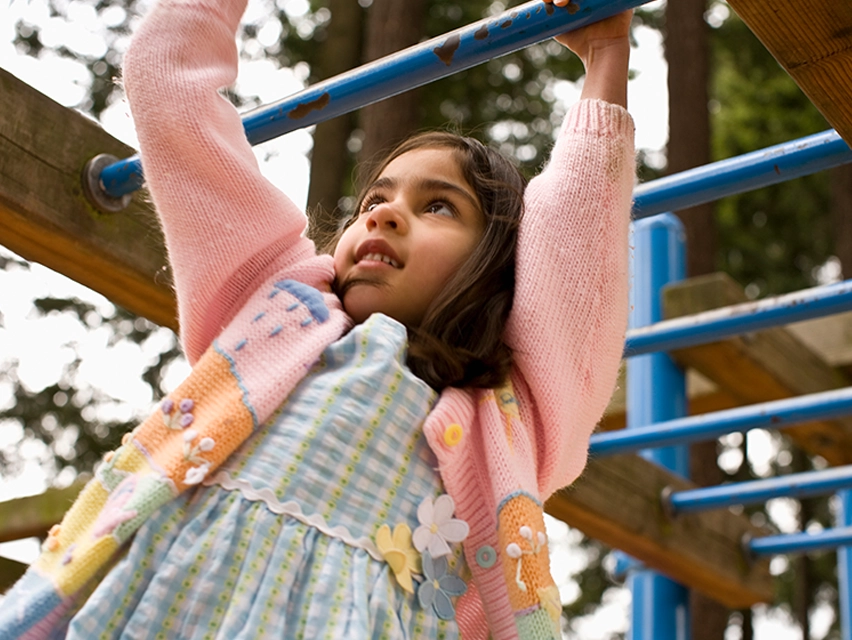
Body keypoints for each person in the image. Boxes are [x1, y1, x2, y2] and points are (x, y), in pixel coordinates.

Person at [0, 0, 635, 637]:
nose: (383, 215)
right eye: (375, 199)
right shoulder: (274, 307)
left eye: (438, 206)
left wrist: (607, 55)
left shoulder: (514, 413)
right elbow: (170, 95)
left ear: (498, 265)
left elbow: (578, 243)